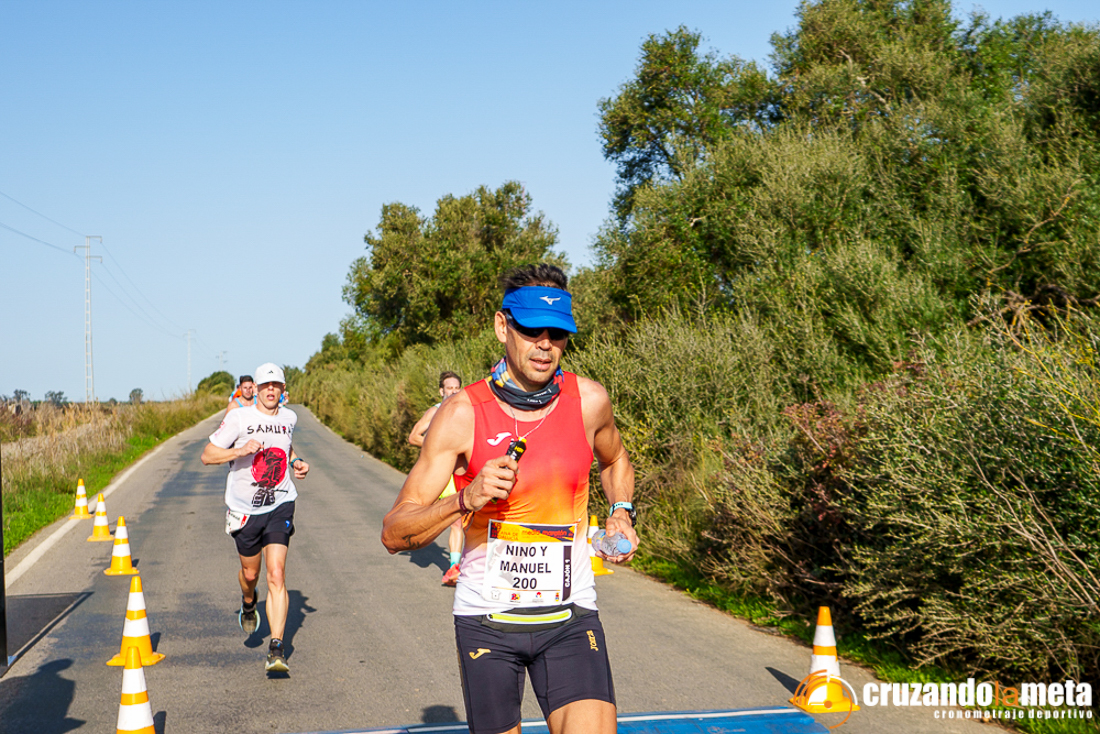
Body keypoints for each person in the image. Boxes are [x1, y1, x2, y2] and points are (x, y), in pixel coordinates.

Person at [382, 263, 638, 734]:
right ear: (503, 326)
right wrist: (465, 499)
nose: (545, 344)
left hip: (570, 616)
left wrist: (621, 510)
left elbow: (616, 459)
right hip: (487, 623)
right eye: (531, 330)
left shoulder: (588, 402)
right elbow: (395, 533)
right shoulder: (462, 414)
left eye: (557, 333)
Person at [201, 362, 309, 673]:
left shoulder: (289, 417)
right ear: (257, 389)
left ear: (283, 389)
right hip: (244, 509)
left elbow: (285, 446)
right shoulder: (239, 417)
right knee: (251, 575)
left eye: (276, 385)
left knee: (277, 573)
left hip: (280, 502)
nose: (271, 390)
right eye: (265, 386)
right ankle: (249, 601)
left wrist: (296, 462)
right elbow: (208, 455)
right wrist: (239, 451)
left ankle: (276, 648)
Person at [408, 371, 465, 586]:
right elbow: (414, 436)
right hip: (437, 471)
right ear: (441, 391)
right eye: (449, 388)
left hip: (457, 472)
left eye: (456, 388)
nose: (453, 391)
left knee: (458, 521)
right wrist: (438, 447)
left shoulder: (465, 411)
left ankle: (453, 567)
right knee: (430, 516)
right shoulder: (434, 411)